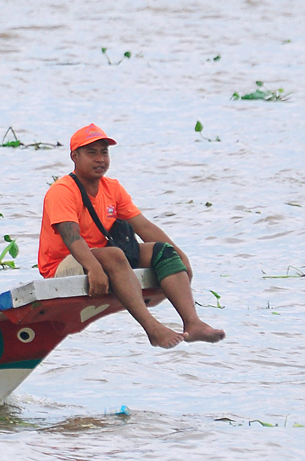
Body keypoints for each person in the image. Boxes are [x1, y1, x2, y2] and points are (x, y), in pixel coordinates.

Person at [40, 125, 224, 347]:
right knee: (114, 255)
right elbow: (72, 238)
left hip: (104, 257)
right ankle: (153, 329)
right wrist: (94, 268)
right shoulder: (62, 190)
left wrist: (181, 257)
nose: (100, 159)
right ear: (74, 157)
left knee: (164, 251)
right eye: (92, 153)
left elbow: (143, 226)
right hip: (63, 265)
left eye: (104, 152)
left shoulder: (112, 188)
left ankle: (193, 323)